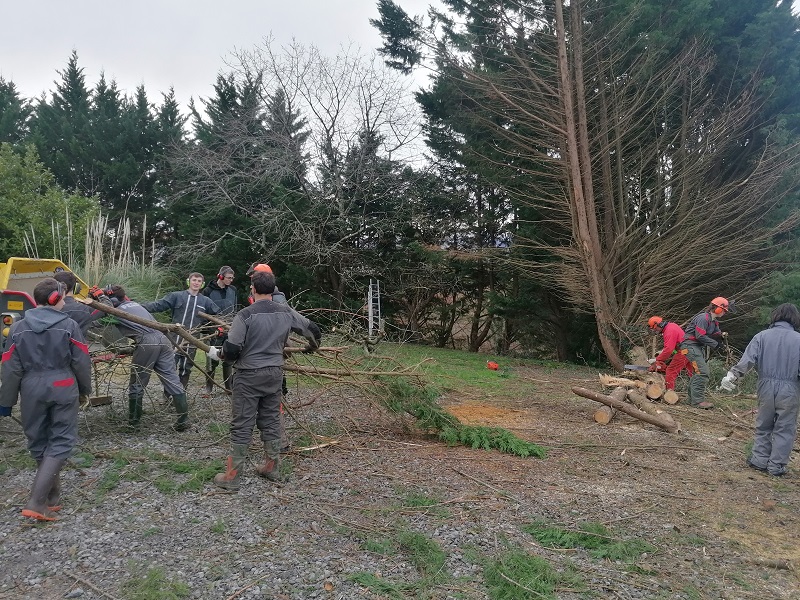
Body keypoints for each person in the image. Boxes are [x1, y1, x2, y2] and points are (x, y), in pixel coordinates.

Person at [211, 270, 321, 491]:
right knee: (270, 420)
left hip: (248, 376)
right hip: (274, 374)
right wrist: (312, 347)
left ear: (252, 289)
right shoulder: (286, 312)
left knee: (242, 423)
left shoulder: (245, 315)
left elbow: (232, 350)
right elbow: (314, 331)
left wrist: (218, 354)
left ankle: (232, 477)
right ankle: (272, 467)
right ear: (274, 290)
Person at [0, 278, 92, 521]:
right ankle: (36, 501)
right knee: (61, 441)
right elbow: (81, 361)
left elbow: (10, 367)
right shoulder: (69, 325)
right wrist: (85, 389)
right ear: (56, 298)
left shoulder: (18, 327)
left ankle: (52, 497)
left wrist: (6, 401)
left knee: (39, 441)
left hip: (31, 388)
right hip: (62, 384)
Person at [91, 285, 190, 431]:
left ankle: (133, 424)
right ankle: (183, 421)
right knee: (172, 380)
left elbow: (94, 322)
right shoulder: (135, 305)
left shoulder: (114, 312)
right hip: (163, 339)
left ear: (111, 300)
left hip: (147, 342)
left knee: (137, 382)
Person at [720, 303, 800, 477]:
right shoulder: (798, 340)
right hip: (790, 388)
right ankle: (776, 466)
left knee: (763, 424)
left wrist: (732, 375)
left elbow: (748, 359)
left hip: (765, 386)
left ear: (775, 316)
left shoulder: (762, 336)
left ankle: (759, 460)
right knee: (785, 428)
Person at [141, 272, 221, 390]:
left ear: (202, 284)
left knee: (186, 367)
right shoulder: (176, 296)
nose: (196, 283)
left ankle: (181, 392)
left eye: (199, 281)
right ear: (188, 281)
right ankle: (168, 394)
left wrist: (219, 327)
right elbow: (158, 305)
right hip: (174, 338)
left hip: (192, 339)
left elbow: (218, 315)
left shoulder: (206, 301)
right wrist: (138, 307)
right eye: (194, 280)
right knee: (170, 366)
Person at [678, 297, 730, 409]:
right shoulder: (703, 318)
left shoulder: (714, 322)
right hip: (690, 346)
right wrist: (716, 345)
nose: (724, 312)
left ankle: (692, 400)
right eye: (723, 310)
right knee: (702, 372)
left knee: (698, 372)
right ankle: (698, 401)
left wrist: (721, 337)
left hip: (696, 347)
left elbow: (716, 334)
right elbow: (700, 335)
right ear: (716, 308)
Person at [201, 266, 238, 393]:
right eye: (229, 278)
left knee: (228, 359)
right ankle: (209, 388)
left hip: (229, 328)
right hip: (214, 329)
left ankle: (229, 388)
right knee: (212, 359)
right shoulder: (207, 291)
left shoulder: (233, 290)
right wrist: (209, 328)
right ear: (221, 277)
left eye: (232, 278)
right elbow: (203, 311)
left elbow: (235, 309)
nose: (231, 280)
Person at [53, 270, 106, 338]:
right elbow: (107, 308)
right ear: (76, 287)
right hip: (76, 348)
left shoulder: (46, 307)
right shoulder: (84, 309)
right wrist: (101, 295)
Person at [647, 316, 691, 390]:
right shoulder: (671, 325)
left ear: (658, 325)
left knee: (670, 371)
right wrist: (663, 352)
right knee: (692, 373)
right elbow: (674, 347)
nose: (655, 331)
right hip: (689, 350)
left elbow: (669, 349)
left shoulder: (668, 331)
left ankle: (670, 392)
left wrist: (657, 359)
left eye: (655, 329)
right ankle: (696, 395)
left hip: (684, 352)